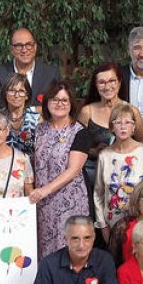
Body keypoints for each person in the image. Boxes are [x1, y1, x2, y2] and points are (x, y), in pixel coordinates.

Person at [30, 81, 93, 258]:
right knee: (46, 252)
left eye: (65, 100)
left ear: (71, 104)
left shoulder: (80, 132)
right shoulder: (39, 129)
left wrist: (45, 191)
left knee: (70, 251)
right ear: (47, 103)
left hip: (70, 202)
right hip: (43, 204)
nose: (60, 104)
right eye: (55, 99)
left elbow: (73, 170)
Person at [33, 216, 127, 284]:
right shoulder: (48, 264)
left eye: (87, 238)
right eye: (75, 238)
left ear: (94, 238)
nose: (81, 245)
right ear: (65, 239)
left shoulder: (104, 259)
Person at [80, 62, 143, 193]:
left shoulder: (132, 111)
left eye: (112, 81)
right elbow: (76, 149)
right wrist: (94, 151)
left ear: (119, 83)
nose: (107, 86)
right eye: (102, 82)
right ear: (96, 85)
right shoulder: (87, 111)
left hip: (123, 178)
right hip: (91, 176)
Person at [96, 103, 143, 238]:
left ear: (134, 127)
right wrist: (102, 225)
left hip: (141, 223)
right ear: (112, 127)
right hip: (112, 224)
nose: (123, 126)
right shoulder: (104, 156)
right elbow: (98, 193)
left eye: (127, 122)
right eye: (118, 122)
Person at [0, 27, 61, 107]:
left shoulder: (51, 74)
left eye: (28, 45)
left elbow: (55, 106)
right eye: (19, 45)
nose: (24, 50)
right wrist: (36, 110)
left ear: (35, 47)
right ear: (11, 49)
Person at [2, 73, 41, 155]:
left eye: (21, 91)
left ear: (27, 95)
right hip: (3, 165)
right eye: (12, 91)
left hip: (30, 166)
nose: (16, 95)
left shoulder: (37, 119)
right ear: (5, 94)